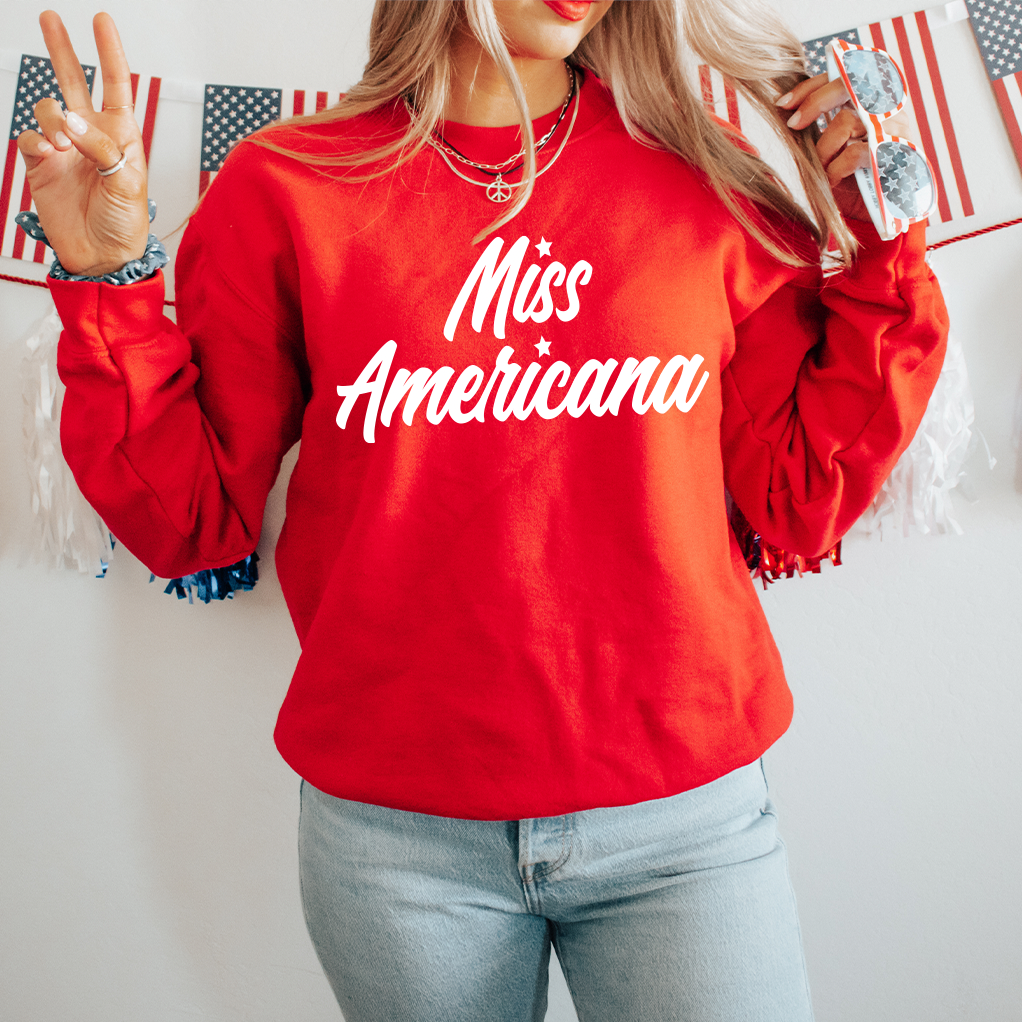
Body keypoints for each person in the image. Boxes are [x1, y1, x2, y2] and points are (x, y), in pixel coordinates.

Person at [17, 2, 947, 1020]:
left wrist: (877, 241)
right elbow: (192, 520)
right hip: (395, 846)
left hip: (683, 821)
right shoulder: (284, 185)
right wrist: (106, 280)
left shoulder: (702, 174)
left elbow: (799, 497)